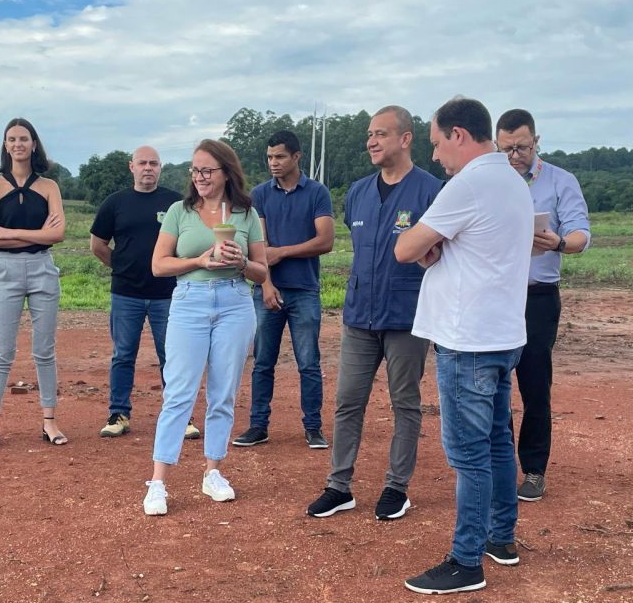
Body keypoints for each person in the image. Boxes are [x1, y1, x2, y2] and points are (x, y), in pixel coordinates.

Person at [395, 96, 532, 594]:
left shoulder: (468, 184)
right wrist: (442, 246)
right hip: (502, 334)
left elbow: (405, 247)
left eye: (436, 143)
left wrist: (432, 244)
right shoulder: (514, 182)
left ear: (458, 134)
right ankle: (502, 538)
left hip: (467, 337)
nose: (435, 156)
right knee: (496, 442)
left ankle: (466, 560)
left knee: (469, 453)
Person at [307, 106, 441, 521]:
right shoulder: (359, 192)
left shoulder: (431, 191)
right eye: (369, 134)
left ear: (405, 139)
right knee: (348, 401)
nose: (371, 141)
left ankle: (396, 488)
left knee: (405, 403)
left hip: (406, 317)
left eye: (380, 133)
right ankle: (339, 485)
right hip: (359, 317)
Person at [143, 139, 267, 516]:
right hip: (189, 302)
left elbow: (262, 273)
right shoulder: (180, 212)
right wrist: (199, 259)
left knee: (223, 392)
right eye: (195, 171)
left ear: (226, 172)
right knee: (179, 392)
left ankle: (213, 471)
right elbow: (159, 265)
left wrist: (242, 261)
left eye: (207, 171)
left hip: (235, 301)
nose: (199, 177)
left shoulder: (247, 214)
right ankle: (158, 482)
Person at [495, 109, 591, 503]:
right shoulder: (492, 180)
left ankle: (534, 469)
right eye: (506, 149)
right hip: (497, 294)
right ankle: (495, 464)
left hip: (536, 296)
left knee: (534, 383)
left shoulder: (560, 181)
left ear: (537, 142)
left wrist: (559, 244)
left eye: (521, 147)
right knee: (492, 379)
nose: (514, 156)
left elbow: (581, 234)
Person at [89, 146, 199, 441]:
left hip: (167, 293)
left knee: (172, 356)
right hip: (126, 293)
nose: (148, 168)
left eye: (153, 163)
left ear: (160, 167)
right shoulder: (116, 203)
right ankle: (119, 414)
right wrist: (123, 266)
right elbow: (98, 245)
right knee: (123, 354)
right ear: (132, 167)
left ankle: (181, 415)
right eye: (142, 163)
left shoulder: (176, 202)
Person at [234, 130, 334, 450]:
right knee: (263, 361)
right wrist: (266, 284)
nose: (273, 163)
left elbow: (325, 241)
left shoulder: (317, 193)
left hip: (305, 290)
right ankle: (258, 425)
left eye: (279, 157)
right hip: (267, 291)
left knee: (308, 362)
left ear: (296, 157)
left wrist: (283, 251)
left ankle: (313, 427)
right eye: (269, 157)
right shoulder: (260, 194)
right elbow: (259, 245)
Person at [0, 118, 68, 451]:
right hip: (6, 271)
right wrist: (34, 233)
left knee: (44, 351)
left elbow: (57, 235)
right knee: (2, 351)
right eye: (12, 139)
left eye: (24, 139)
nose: (18, 144)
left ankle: (49, 421)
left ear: (33, 144)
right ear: (5, 145)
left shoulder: (49, 187)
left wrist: (11, 233)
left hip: (44, 268)